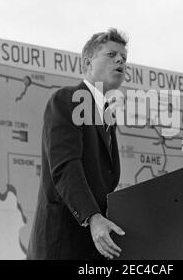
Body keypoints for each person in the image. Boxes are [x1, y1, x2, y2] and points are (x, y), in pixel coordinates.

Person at [27, 28, 128, 260]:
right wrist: (92, 217)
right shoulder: (67, 99)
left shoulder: (106, 118)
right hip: (61, 247)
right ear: (88, 62)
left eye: (124, 57)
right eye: (111, 55)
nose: (120, 60)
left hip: (93, 250)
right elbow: (66, 167)